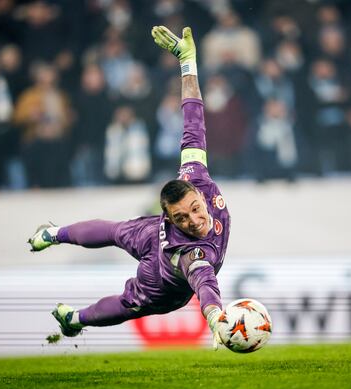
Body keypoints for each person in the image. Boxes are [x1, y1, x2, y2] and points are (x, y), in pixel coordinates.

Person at [28, 26, 229, 348]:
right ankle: (63, 275)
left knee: (115, 233)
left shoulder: (195, 175)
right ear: (169, 217)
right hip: (159, 276)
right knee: (127, 293)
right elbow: (205, 283)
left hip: (156, 242)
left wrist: (187, 63)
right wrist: (217, 318)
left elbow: (193, 117)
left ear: (198, 195)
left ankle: (66, 285)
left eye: (193, 209)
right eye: (181, 218)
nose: (193, 220)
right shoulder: (192, 253)